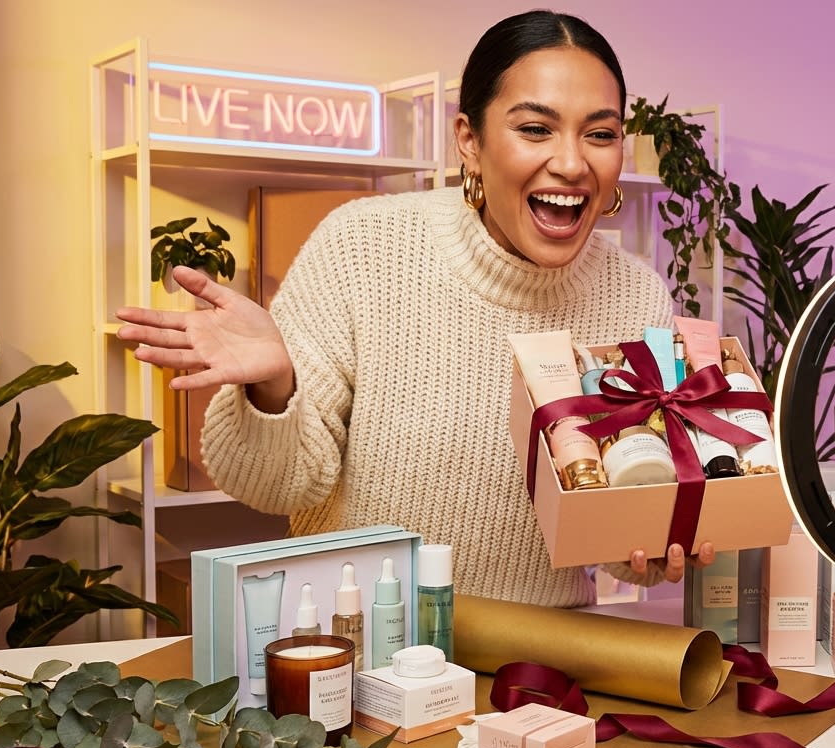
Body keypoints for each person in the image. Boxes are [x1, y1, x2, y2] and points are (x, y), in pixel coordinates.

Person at [115, 10, 714, 608]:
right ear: (469, 142)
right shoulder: (364, 246)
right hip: (362, 647)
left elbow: (612, 523)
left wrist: (654, 540)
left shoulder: (635, 297)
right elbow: (274, 487)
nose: (572, 162)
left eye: (600, 134)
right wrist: (275, 389)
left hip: (539, 660)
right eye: (536, 128)